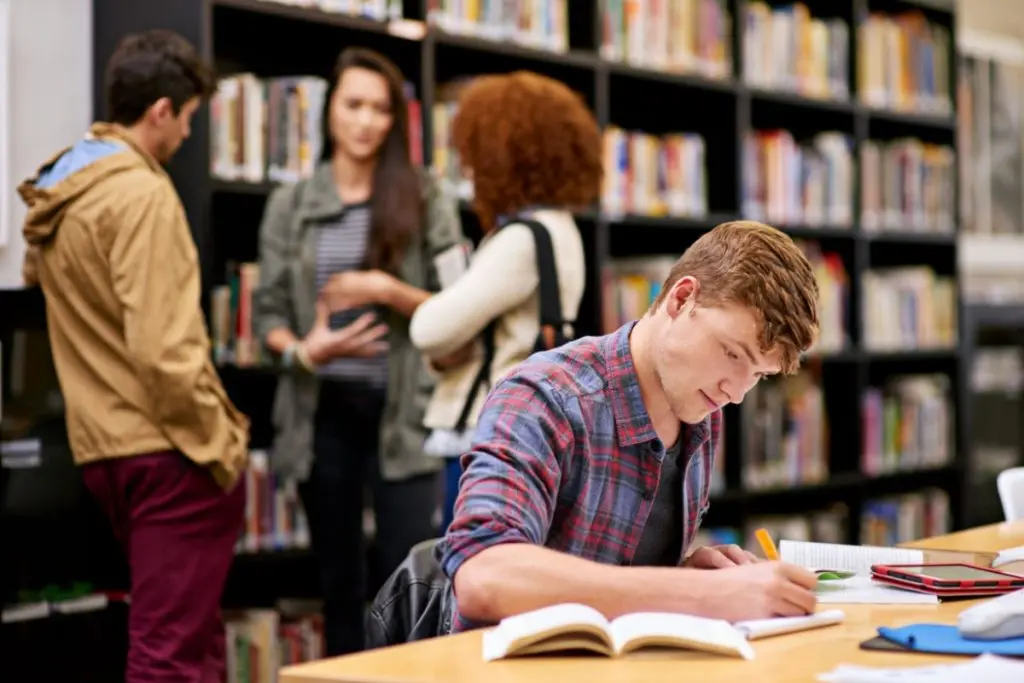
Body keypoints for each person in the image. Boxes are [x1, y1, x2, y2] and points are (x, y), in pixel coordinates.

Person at [436, 220, 823, 633]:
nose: (736, 392)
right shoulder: (543, 397)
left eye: (759, 375)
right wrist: (700, 596)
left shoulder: (701, 409)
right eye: (731, 353)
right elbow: (482, 577)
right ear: (681, 299)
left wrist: (687, 573)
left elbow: (625, 574)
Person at [17, 30, 249, 683]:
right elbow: (165, 349)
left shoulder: (66, 193)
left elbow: (46, 285)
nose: (186, 136)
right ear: (160, 112)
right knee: (171, 655)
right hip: (169, 450)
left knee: (183, 640)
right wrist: (221, 443)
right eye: (189, 119)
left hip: (105, 448)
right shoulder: (142, 195)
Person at [252, 47, 466, 656]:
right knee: (338, 583)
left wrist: (385, 289)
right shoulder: (289, 206)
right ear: (328, 112)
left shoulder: (426, 197)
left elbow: (461, 306)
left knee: (411, 581)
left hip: (405, 414)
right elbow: (267, 313)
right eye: (353, 105)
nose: (366, 121)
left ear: (397, 120)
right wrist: (304, 348)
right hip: (322, 413)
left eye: (380, 109)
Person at [405, 71, 603, 530]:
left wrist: (387, 291)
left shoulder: (522, 238)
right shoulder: (562, 229)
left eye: (475, 156)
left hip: (491, 429)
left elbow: (428, 329)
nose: (469, 170)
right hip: (532, 429)